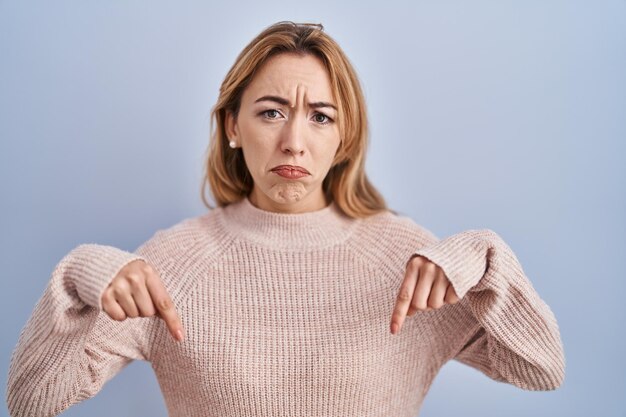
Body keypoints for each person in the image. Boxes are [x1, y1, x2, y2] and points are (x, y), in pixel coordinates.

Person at [6, 21, 565, 417]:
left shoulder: (411, 261)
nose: (293, 142)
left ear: (343, 138)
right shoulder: (170, 263)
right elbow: (30, 401)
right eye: (271, 112)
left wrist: (491, 260)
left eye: (320, 117)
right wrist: (77, 275)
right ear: (231, 125)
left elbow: (542, 369)